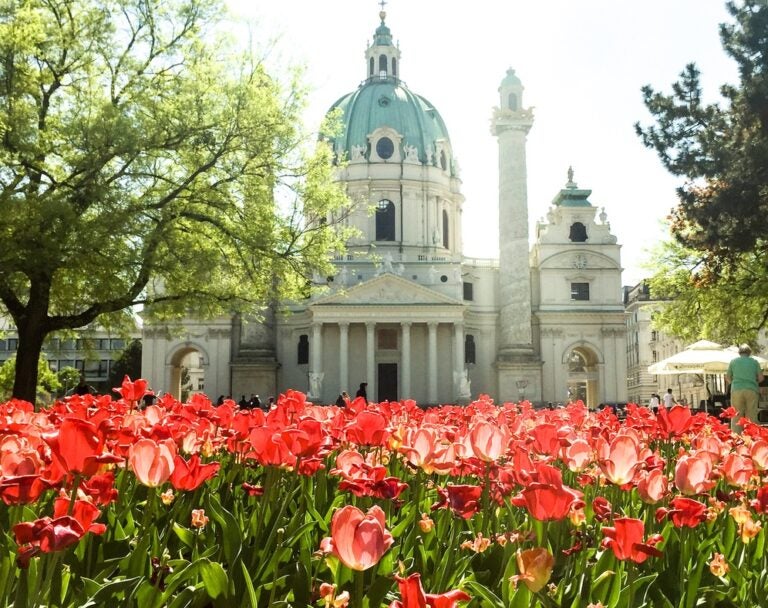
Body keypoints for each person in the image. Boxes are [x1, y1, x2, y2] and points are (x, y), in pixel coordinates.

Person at [726, 343, 764, 431]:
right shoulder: (754, 362)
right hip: (752, 390)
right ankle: (751, 438)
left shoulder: (733, 362)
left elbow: (727, 377)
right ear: (749, 352)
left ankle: (736, 440)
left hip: (736, 390)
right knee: (751, 416)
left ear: (739, 352)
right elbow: (761, 378)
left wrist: (734, 383)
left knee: (736, 416)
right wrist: (754, 382)